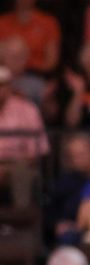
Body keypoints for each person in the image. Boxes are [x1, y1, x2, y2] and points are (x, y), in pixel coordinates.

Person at [0, 63, 48, 209]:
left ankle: (21, 222)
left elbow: (38, 149)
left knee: (21, 170)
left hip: (19, 163)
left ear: (10, 86)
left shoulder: (27, 109)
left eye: (2, 85)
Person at [48, 132, 90, 243]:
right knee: (67, 236)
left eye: (81, 154)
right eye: (73, 156)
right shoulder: (62, 183)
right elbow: (51, 212)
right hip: (73, 229)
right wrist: (57, 224)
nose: (77, 160)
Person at [0, 0, 61, 76]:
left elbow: (51, 62)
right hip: (5, 75)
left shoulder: (48, 23)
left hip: (36, 75)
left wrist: (27, 66)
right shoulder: (2, 23)